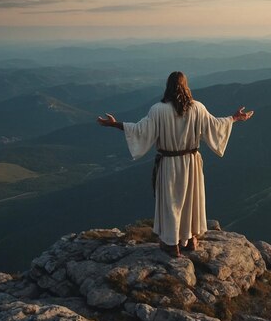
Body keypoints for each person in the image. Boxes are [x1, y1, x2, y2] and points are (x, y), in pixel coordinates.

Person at [97, 71, 253, 257]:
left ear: (168, 86)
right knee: (190, 200)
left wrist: (114, 124)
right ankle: (190, 240)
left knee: (172, 203)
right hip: (191, 162)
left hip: (169, 163)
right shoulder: (198, 108)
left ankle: (172, 244)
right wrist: (235, 118)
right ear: (186, 86)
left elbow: (140, 130)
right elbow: (215, 125)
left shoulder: (158, 110)